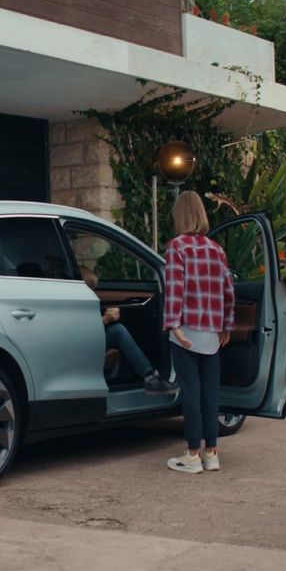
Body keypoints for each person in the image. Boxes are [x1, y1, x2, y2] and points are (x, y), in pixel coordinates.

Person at [161, 191, 233, 475]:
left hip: (186, 329)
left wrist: (173, 325)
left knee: (190, 391)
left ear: (179, 216)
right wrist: (226, 325)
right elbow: (229, 290)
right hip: (211, 332)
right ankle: (212, 453)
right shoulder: (216, 249)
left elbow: (175, 289)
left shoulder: (176, 247)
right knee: (209, 392)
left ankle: (192, 454)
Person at [80, 267, 166, 392]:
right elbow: (82, 329)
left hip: (90, 335)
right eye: (91, 290)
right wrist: (105, 320)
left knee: (119, 330)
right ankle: (149, 377)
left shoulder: (86, 299)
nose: (93, 293)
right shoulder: (74, 300)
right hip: (81, 340)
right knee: (118, 331)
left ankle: (143, 376)